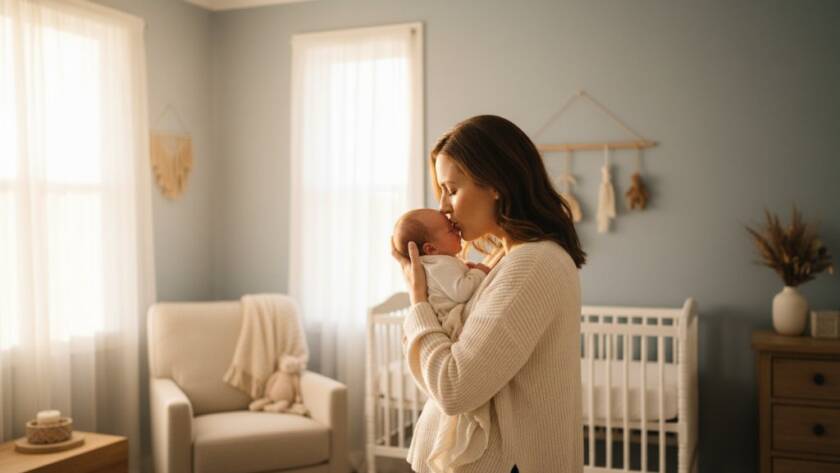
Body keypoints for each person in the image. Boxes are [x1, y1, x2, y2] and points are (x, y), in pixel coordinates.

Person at [391, 115, 586, 473]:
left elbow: (453, 388)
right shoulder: (505, 257)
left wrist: (419, 302)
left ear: (495, 183)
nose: (444, 208)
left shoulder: (532, 264)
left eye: (452, 189)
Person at [392, 208, 493, 473]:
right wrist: (480, 271)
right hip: (447, 323)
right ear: (430, 247)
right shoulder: (441, 263)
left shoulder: (436, 263)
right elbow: (461, 291)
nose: (455, 227)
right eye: (449, 229)